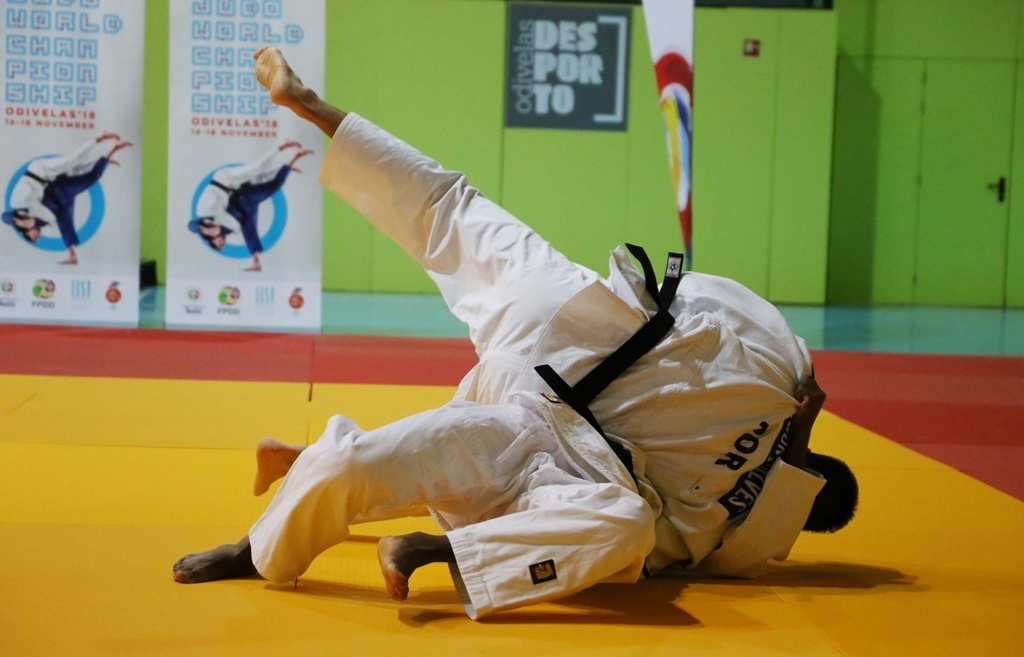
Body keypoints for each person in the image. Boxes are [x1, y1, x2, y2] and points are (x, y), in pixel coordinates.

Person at [173, 46, 858, 619]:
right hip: (570, 392)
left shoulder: (783, 378)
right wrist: (794, 427)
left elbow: (699, 296)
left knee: (446, 209)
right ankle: (345, 536)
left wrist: (802, 408)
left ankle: (310, 105)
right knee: (616, 524)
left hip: (569, 338)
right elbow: (717, 533)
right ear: (809, 502)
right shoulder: (754, 524)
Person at [2, 132, 132, 264]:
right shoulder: (39, 219)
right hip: (53, 184)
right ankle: (106, 156)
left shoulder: (19, 212)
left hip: (41, 171)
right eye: (38, 238)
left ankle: (99, 139)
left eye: (34, 238)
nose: (38, 236)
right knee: (81, 172)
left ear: (27, 233)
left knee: (74, 160)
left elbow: (4, 217)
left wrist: (18, 221)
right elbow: (59, 221)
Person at [188, 141, 313, 271]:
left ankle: (282, 147)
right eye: (222, 246)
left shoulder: (205, 219)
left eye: (218, 245)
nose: (222, 243)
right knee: (261, 181)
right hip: (238, 194)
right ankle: (287, 165)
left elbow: (191, 225)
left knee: (258, 169)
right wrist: (217, 229)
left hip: (226, 180)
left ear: (212, 240)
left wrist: (203, 227)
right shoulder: (224, 227)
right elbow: (241, 228)